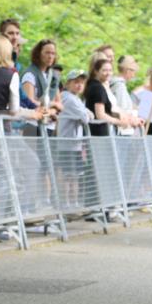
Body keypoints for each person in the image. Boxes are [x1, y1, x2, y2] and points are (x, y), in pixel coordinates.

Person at [56, 69, 93, 208]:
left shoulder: (76, 98)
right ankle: (66, 203)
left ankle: (74, 203)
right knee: (68, 175)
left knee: (75, 175)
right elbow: (85, 117)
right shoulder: (68, 98)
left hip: (75, 143)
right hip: (67, 144)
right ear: (68, 83)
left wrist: (87, 114)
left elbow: (88, 114)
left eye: (82, 82)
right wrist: (86, 114)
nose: (79, 85)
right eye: (76, 82)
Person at [21, 39, 62, 136]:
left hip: (50, 125)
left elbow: (60, 104)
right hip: (33, 125)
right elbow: (29, 102)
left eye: (53, 53)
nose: (50, 56)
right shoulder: (30, 74)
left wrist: (51, 111)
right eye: (47, 53)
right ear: (38, 54)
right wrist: (52, 104)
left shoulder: (53, 76)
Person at [109, 55, 140, 136]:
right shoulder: (119, 86)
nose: (134, 75)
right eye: (134, 71)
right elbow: (122, 108)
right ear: (127, 71)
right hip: (122, 130)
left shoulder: (120, 85)